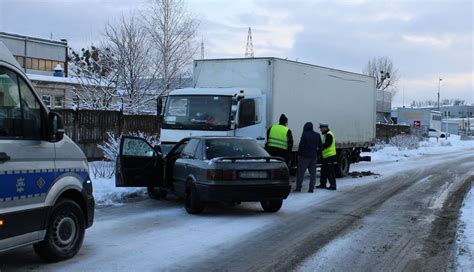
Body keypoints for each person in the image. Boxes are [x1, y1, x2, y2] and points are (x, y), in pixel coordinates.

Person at [294, 122, 321, 193]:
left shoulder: (305, 134)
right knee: (313, 174)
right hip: (313, 157)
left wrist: (299, 155)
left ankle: (298, 188)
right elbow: (320, 146)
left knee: (300, 173)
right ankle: (311, 188)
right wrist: (317, 154)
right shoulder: (317, 135)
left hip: (304, 157)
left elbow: (301, 146)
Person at [316, 123, 337, 190]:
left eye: (321, 129)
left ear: (325, 128)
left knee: (330, 172)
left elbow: (327, 144)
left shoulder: (329, 135)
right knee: (323, 171)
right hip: (326, 157)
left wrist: (320, 148)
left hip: (330, 156)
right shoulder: (326, 134)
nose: (320, 130)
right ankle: (323, 184)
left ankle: (333, 185)